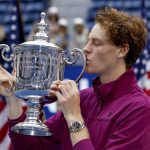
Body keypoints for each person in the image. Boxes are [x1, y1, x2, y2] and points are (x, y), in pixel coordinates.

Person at [0, 7, 150, 150]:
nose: (86, 48)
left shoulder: (140, 109)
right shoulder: (84, 98)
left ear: (122, 50)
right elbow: (31, 146)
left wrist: (74, 117)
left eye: (96, 43)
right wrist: (12, 98)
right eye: (88, 40)